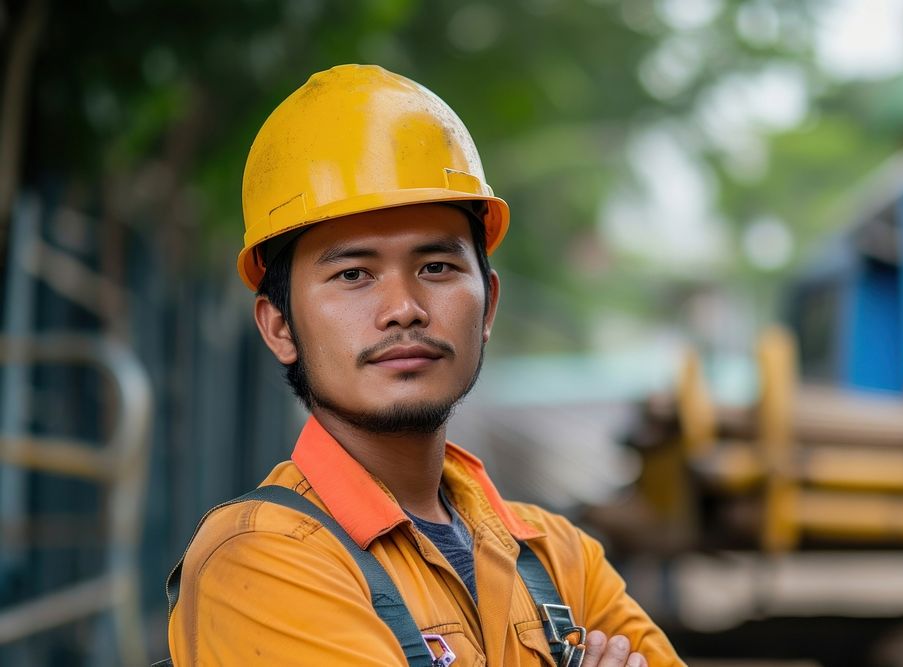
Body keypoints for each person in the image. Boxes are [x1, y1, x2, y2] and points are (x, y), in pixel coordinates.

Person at [165, 64, 685, 667]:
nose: (403, 309)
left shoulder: (561, 558)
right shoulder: (263, 557)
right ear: (279, 326)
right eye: (353, 275)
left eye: (436, 267)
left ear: (488, 302)